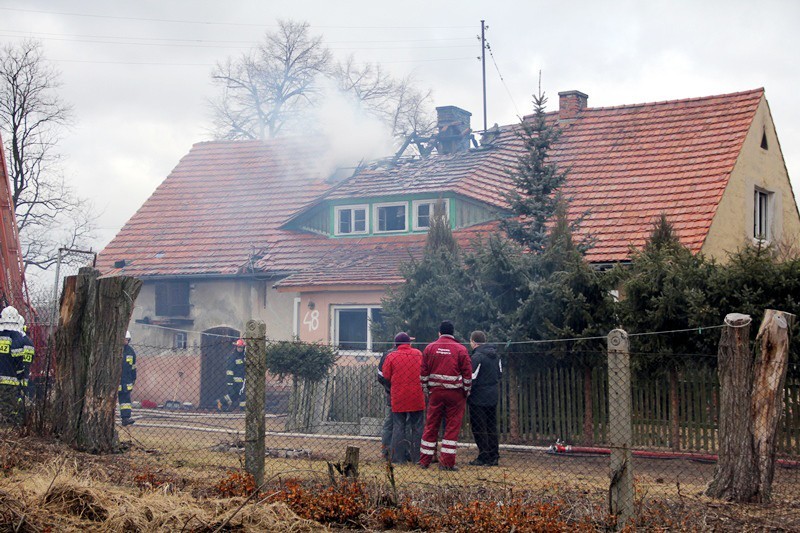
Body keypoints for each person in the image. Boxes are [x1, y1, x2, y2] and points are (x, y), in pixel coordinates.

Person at [419, 320, 472, 471]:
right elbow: (467, 374)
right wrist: (466, 391)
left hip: (435, 392)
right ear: (453, 333)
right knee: (452, 427)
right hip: (455, 394)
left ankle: (424, 461)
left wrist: (426, 389)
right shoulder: (460, 349)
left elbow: (423, 372)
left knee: (431, 425)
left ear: (439, 333)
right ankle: (447, 463)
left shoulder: (430, 348)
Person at [382, 332, 425, 464]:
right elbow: (424, 370)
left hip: (399, 396)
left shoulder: (391, 356)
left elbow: (386, 375)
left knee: (399, 426)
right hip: (416, 396)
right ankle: (417, 457)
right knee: (417, 427)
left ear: (396, 344)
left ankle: (398, 458)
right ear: (408, 343)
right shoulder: (418, 354)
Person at [467, 330, 501, 466]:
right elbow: (499, 374)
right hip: (493, 396)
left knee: (479, 427)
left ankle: (483, 456)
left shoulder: (477, 357)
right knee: (491, 426)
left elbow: (471, 378)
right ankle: (494, 455)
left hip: (478, 398)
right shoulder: (496, 356)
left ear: (473, 342)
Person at [0, 306, 24, 425]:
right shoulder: (16, 336)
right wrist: (21, 374)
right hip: (10, 380)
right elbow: (19, 358)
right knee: (7, 408)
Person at [217, 339, 246, 411]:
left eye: (241, 347)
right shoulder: (232, 357)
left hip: (243, 381)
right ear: (236, 347)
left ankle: (243, 409)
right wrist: (230, 384)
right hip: (235, 382)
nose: (240, 349)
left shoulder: (244, 357)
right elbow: (229, 371)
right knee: (233, 395)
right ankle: (220, 402)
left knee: (242, 395)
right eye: (239, 347)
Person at [119, 330, 137, 426]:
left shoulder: (130, 351)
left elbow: (133, 366)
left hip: (126, 381)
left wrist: (133, 378)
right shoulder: (114, 349)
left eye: (127, 339)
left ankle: (125, 418)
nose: (125, 341)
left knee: (125, 401)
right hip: (115, 381)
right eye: (124, 339)